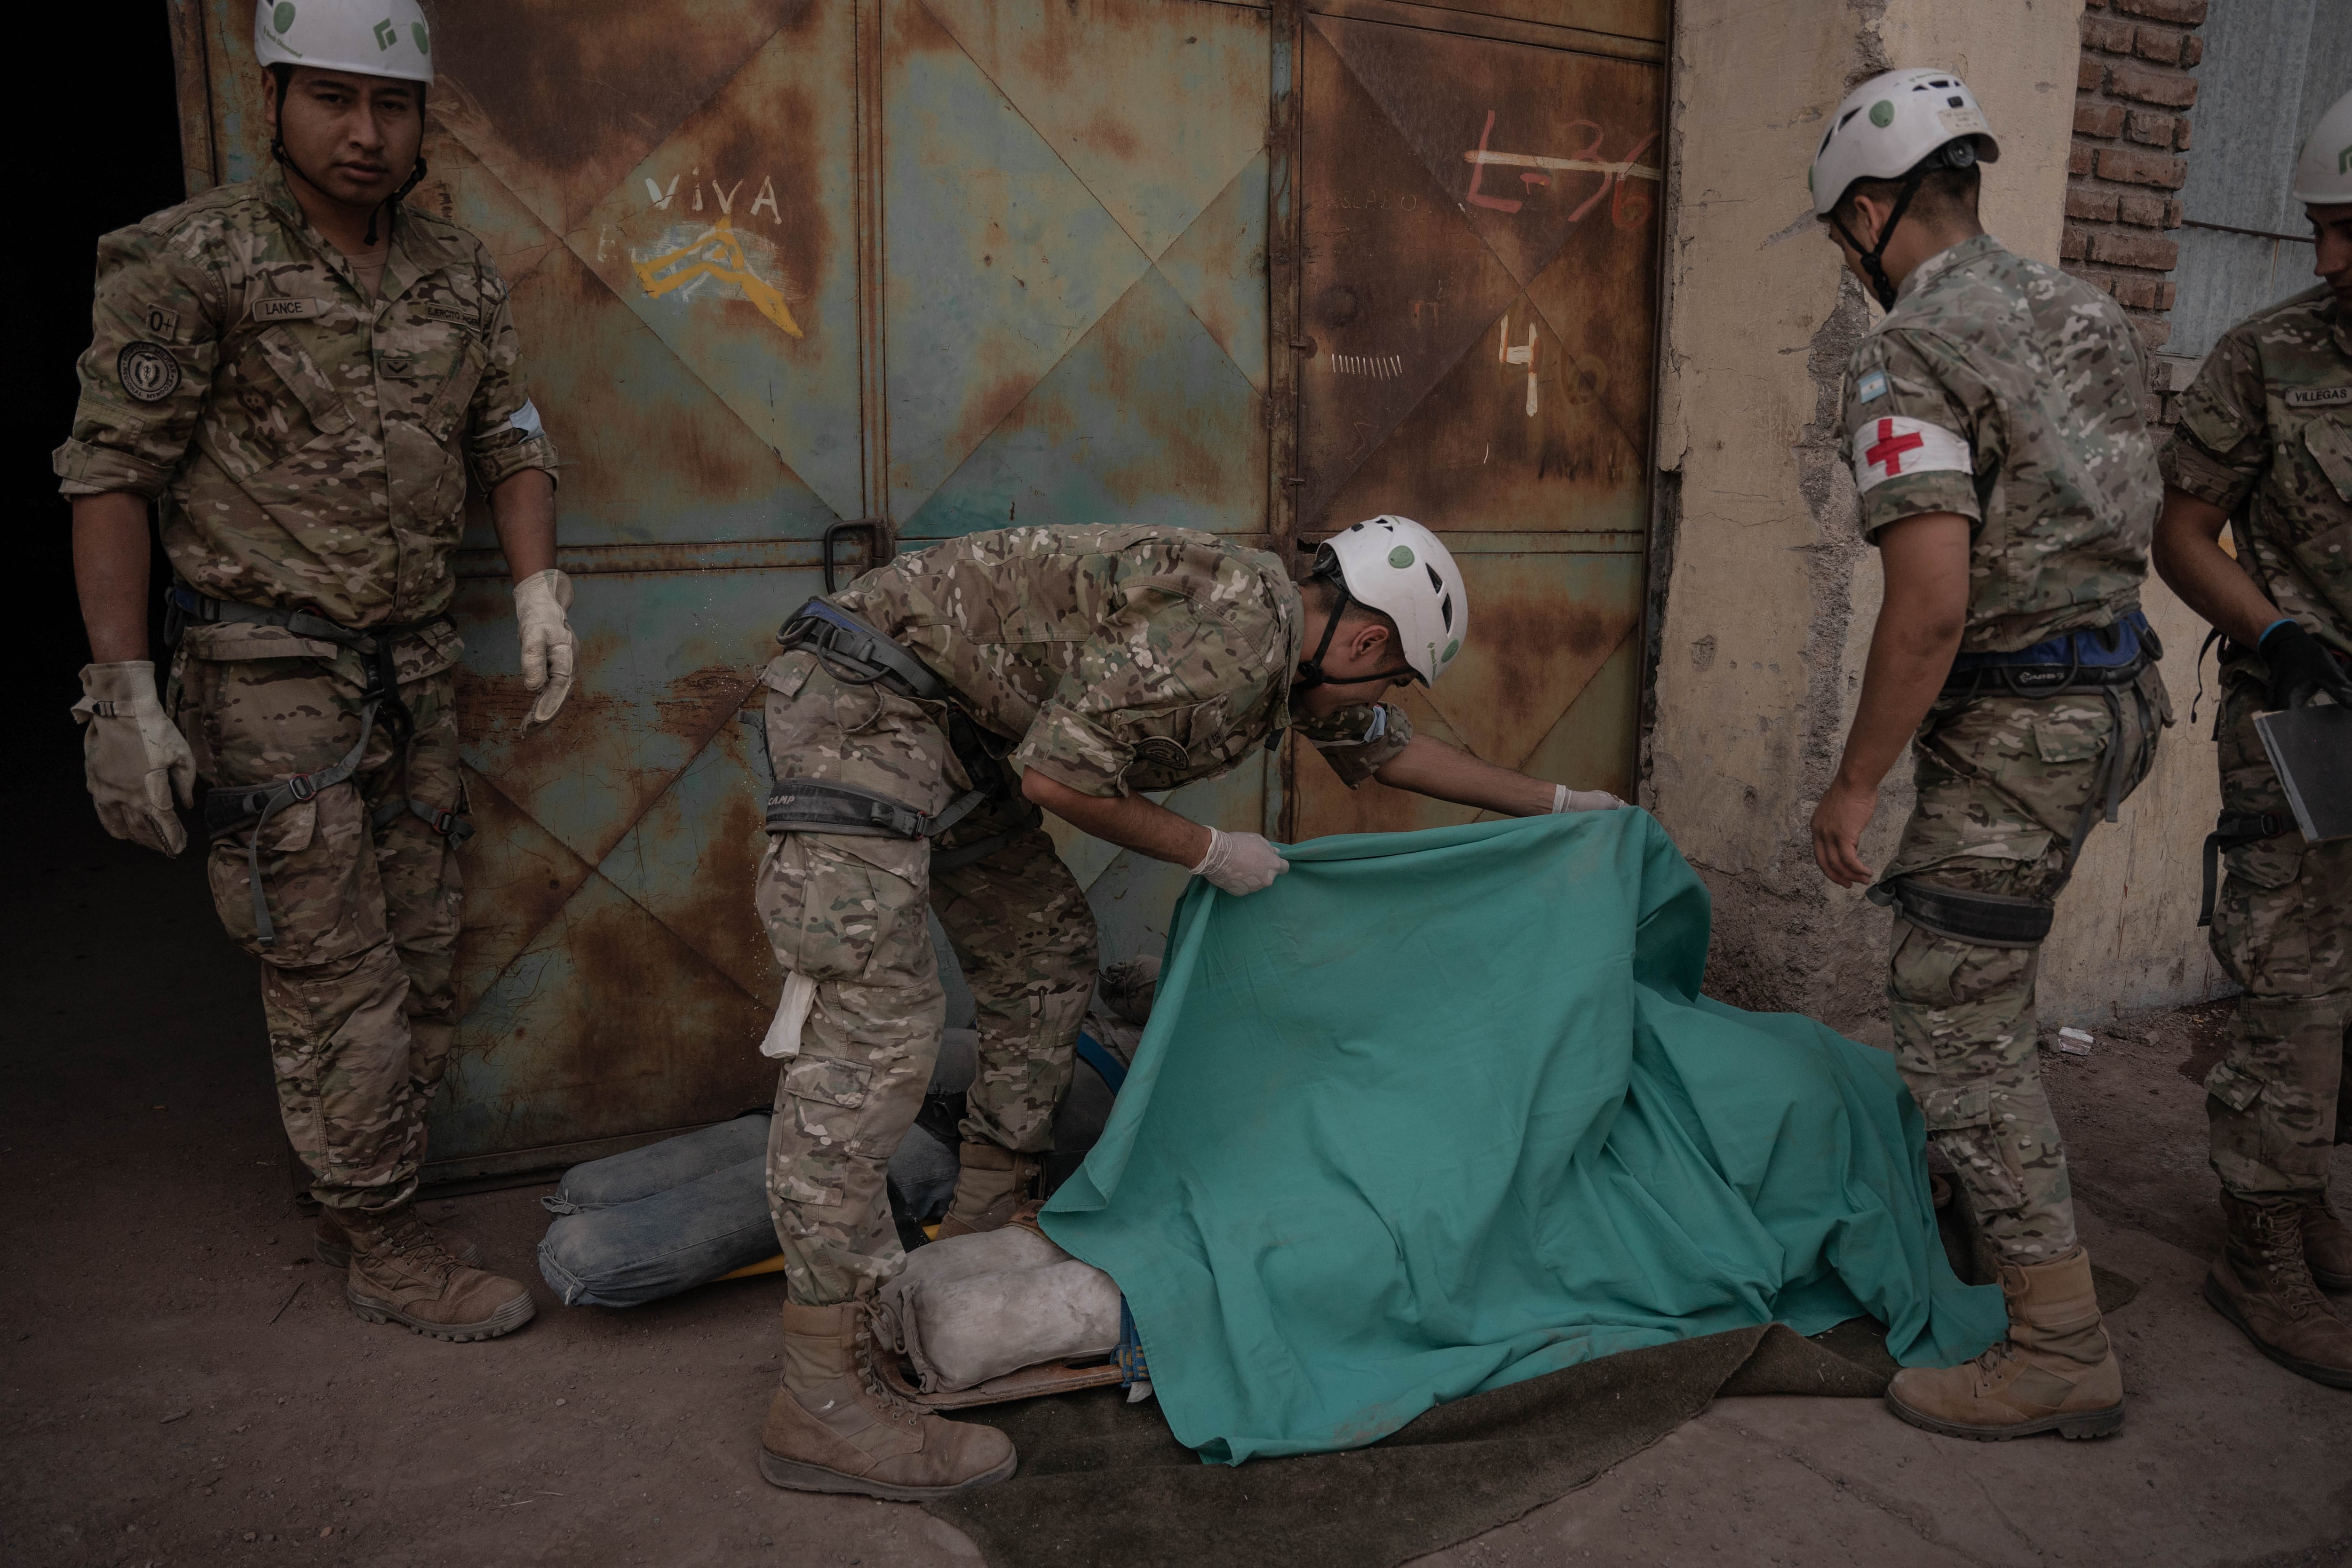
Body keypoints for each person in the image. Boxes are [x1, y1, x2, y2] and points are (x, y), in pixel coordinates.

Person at [748, 517, 1626, 1498]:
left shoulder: (1303, 651)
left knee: (1043, 950)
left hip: (953, 731)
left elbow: (1386, 752)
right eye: (1392, 679)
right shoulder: (1237, 632)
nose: (1383, 698)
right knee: (871, 1034)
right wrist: (1207, 850)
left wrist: (1558, 803)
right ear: (1369, 642)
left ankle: (981, 1227)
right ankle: (820, 1401)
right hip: (864, 707)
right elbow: (1054, 779)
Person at [56, 0, 575, 1342]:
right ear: (275, 95)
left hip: (410, 661)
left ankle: (360, 1175)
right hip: (264, 663)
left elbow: (509, 432)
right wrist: (121, 692)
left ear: (420, 121)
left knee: (421, 944)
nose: (365, 132)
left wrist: (534, 584)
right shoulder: (191, 259)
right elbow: (112, 470)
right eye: (335, 100)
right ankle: (386, 1237)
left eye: (391, 106)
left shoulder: (456, 269)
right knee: (330, 960)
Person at [1804, 68, 2170, 1440]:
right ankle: (1969, 1194)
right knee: (1981, 976)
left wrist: (1853, 783)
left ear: (1871, 207)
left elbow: (1933, 600)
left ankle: (2058, 1338)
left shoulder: (1908, 350)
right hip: (2115, 697)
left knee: (1952, 1010)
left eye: (1847, 228)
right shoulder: (2084, 305)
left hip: (2021, 723)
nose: (1850, 253)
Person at [2151, 89, 2352, 1391]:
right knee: (2293, 986)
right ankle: (2259, 1242)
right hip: (2306, 722)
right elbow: (2181, 532)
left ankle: (2310, 1191)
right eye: (2321, 229)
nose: (2328, 259)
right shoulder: (2267, 355)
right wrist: (2278, 637)